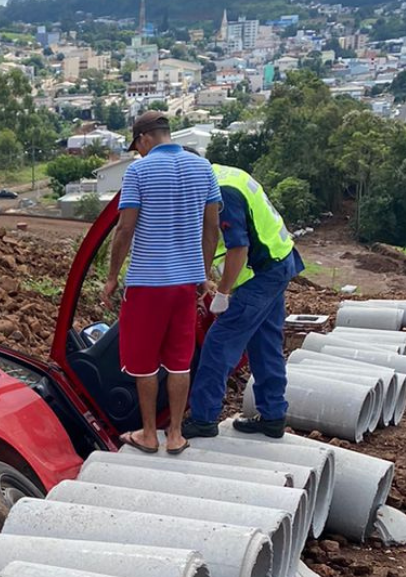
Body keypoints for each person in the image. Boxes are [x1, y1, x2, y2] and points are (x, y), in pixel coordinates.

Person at [101, 111, 222, 455]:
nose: (137, 153)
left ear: (143, 139)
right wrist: (203, 275)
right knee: (180, 362)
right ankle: (176, 435)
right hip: (185, 285)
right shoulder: (203, 169)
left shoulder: (139, 171)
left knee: (145, 364)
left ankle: (149, 434)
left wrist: (112, 277)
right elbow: (211, 228)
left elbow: (125, 229)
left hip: (146, 284)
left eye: (136, 147)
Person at [181, 162, 305, 440]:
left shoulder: (223, 193)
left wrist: (223, 293)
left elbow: (238, 246)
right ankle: (272, 415)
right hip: (279, 261)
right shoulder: (226, 174)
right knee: (265, 342)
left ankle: (203, 419)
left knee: (218, 343)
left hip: (263, 273)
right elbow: (215, 234)